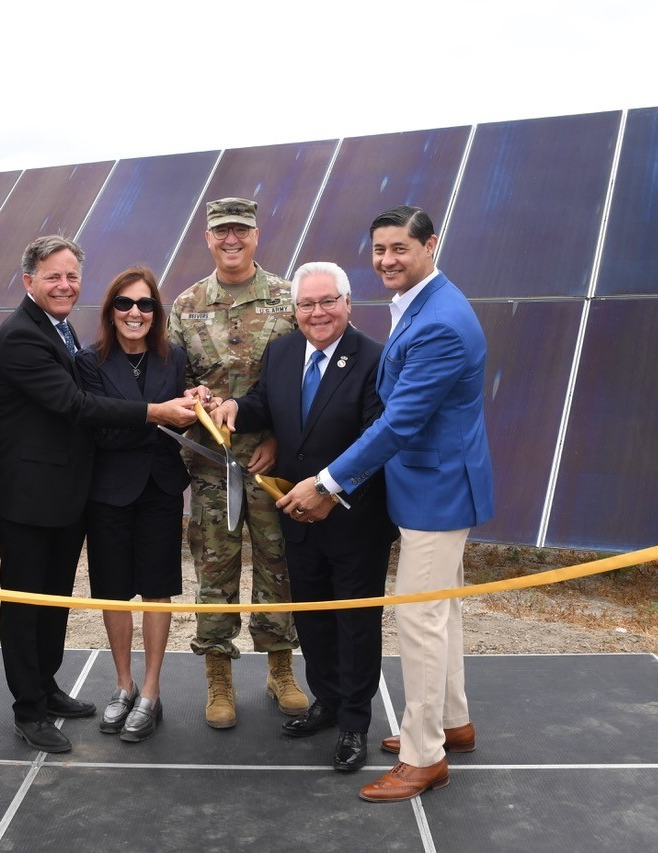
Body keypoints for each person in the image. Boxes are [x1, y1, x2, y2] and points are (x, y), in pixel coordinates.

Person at [279, 206, 494, 802]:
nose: (387, 260)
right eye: (379, 250)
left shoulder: (440, 323)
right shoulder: (424, 305)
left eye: (400, 248)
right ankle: (454, 723)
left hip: (437, 491)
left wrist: (326, 482)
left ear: (430, 245)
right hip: (433, 484)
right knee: (441, 614)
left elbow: (399, 423)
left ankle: (425, 755)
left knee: (419, 621)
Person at [0, 235, 200, 755]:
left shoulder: (57, 330)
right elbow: (75, 405)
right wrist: (155, 412)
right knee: (27, 602)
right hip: (26, 497)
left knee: (53, 600)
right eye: (52, 276)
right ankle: (28, 710)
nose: (64, 285)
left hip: (65, 497)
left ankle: (48, 688)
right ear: (28, 279)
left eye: (71, 276)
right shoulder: (22, 337)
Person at [211, 261, 395, 772]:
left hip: (355, 518)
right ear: (294, 310)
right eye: (307, 304)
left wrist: (331, 490)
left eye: (328, 301)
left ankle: (355, 724)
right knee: (312, 618)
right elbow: (265, 406)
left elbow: (376, 440)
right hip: (296, 513)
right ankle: (328, 702)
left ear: (348, 304)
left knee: (356, 624)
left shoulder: (375, 359)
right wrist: (233, 408)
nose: (318, 313)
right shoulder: (283, 351)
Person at [167, 197, 308, 729]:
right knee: (214, 571)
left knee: (278, 567)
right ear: (208, 237)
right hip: (209, 468)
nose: (231, 239)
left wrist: (275, 436)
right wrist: (189, 393)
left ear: (255, 235)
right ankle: (218, 678)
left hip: (271, 464)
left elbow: (300, 378)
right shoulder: (186, 305)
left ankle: (280, 670)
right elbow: (171, 378)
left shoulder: (287, 298)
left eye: (240, 231)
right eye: (222, 231)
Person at [76, 267, 190, 744]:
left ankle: (150, 691)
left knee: (158, 590)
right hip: (109, 492)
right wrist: (157, 416)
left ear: (156, 313)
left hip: (161, 490)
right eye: (124, 304)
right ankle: (122, 685)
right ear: (110, 311)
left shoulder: (174, 359)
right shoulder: (88, 362)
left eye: (145, 305)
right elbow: (97, 424)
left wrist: (192, 405)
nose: (135, 313)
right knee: (114, 592)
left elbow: (181, 424)